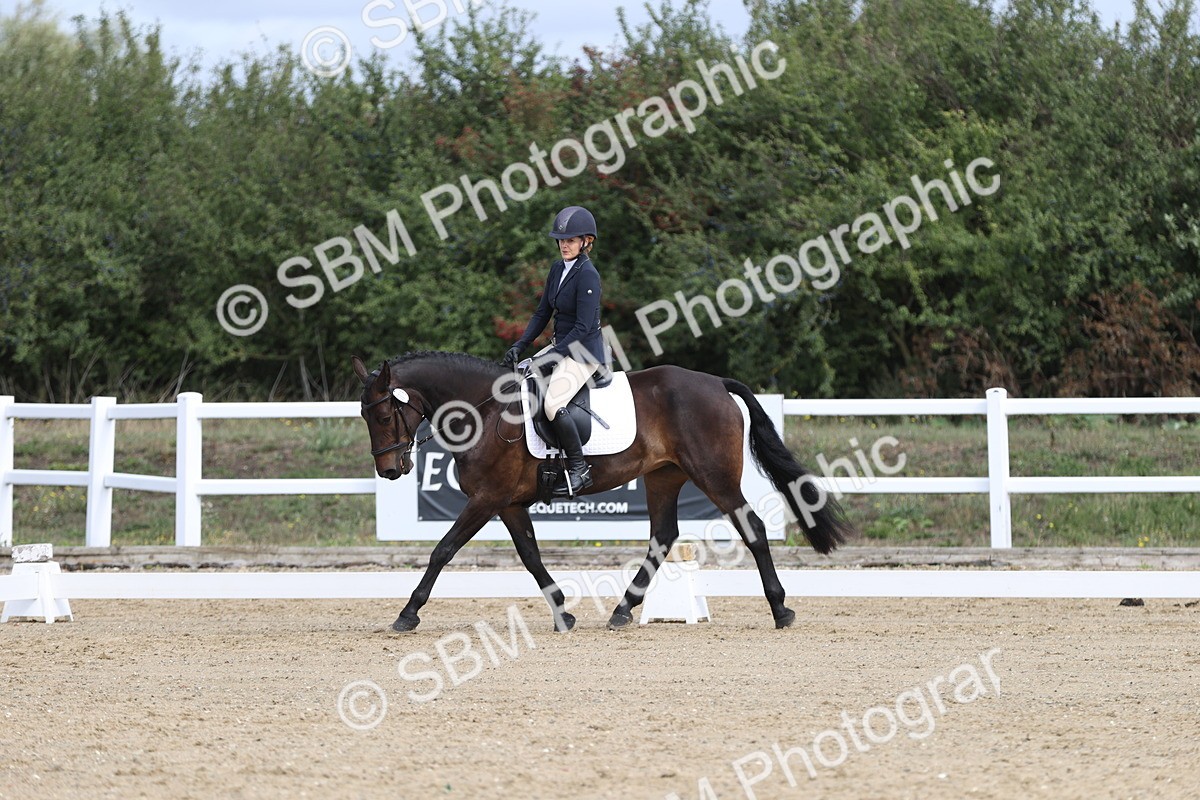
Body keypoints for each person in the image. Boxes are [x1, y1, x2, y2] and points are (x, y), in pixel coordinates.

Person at [501, 206, 605, 496]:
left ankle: (579, 468)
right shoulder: (558, 268)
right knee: (520, 378)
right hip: (562, 342)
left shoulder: (588, 275)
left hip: (584, 352)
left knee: (551, 403)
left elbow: (584, 328)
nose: (564, 245)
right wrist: (521, 345)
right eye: (561, 240)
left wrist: (553, 356)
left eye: (570, 240)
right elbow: (542, 312)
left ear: (586, 241)